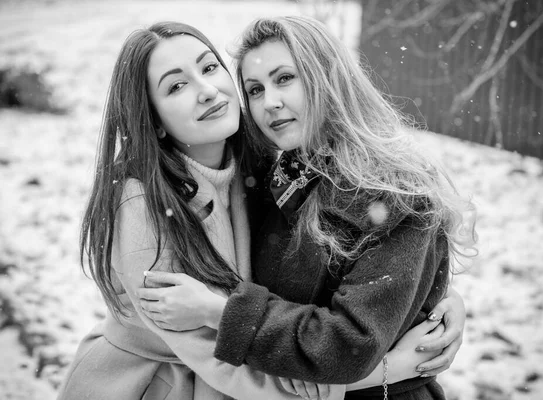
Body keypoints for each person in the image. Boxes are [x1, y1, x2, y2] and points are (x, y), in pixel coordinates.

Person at [57, 21, 466, 400]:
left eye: (285, 78)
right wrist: (389, 369)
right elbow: (223, 354)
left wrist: (432, 300)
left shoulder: (264, 173)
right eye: (254, 89)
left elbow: (366, 307)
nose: (269, 102)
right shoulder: (171, 198)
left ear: (329, 76)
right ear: (155, 120)